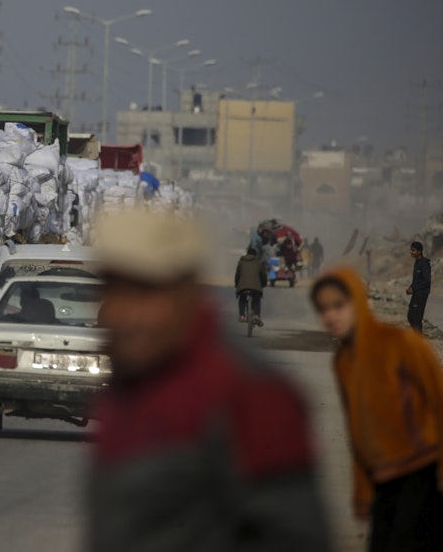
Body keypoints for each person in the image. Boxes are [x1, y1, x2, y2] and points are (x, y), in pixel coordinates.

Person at [88, 209, 329, 551]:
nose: (127, 314)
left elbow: (294, 535)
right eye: (115, 293)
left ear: (187, 293)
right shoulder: (128, 385)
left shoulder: (248, 392)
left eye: (147, 293)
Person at [310, 268, 443, 550]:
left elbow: (438, 402)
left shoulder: (403, 344)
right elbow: (358, 430)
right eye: (323, 309)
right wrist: (362, 488)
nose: (330, 316)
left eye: (338, 306)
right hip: (384, 478)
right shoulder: (344, 362)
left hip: (423, 472)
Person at [235, 247, 269, 325]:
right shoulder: (258, 263)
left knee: (242, 300)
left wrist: (237, 285)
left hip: (243, 287)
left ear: (247, 254)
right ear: (255, 255)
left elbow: (237, 275)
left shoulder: (241, 262)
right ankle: (256, 315)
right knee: (256, 300)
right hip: (255, 287)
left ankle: (242, 315)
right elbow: (263, 276)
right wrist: (263, 284)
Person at [406, 241, 432, 332]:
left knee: (416, 318)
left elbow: (427, 281)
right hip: (416, 293)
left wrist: (414, 288)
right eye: (411, 250)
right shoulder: (417, 262)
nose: (411, 252)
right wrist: (410, 287)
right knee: (410, 316)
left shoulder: (424, 263)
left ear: (419, 251)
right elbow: (416, 280)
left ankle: (418, 340)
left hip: (422, 294)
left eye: (413, 250)